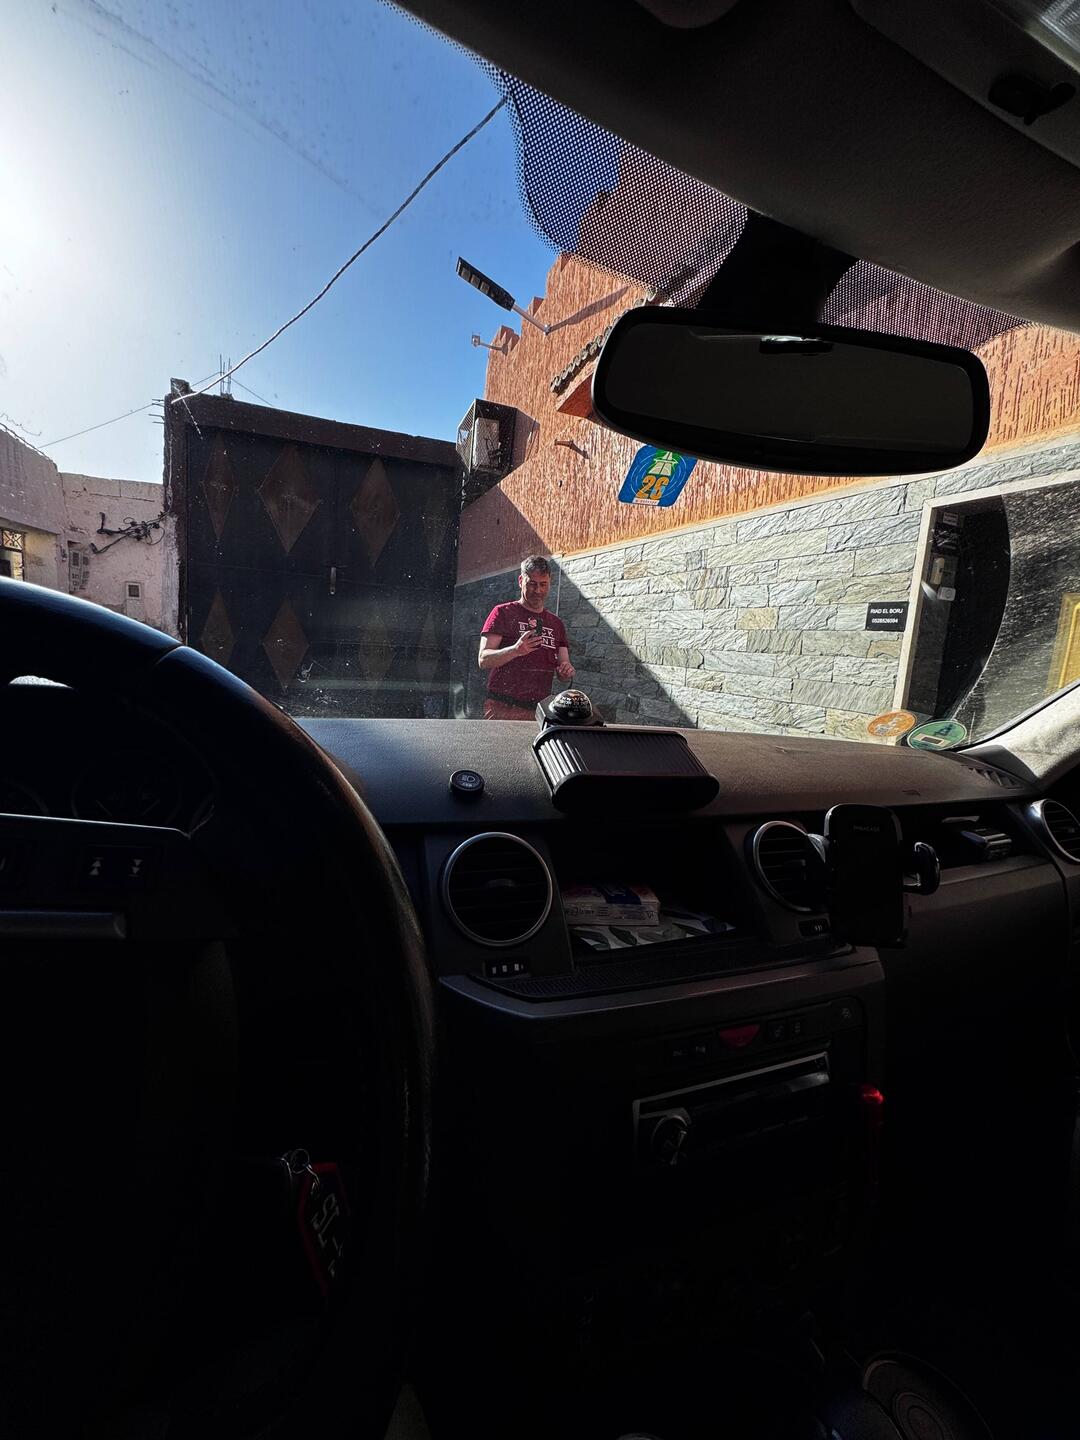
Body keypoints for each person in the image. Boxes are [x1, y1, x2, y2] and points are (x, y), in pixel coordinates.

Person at [478, 555, 575, 719]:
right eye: (532, 584)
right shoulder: (502, 613)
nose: (538, 591)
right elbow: (483, 660)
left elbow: (563, 670)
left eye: (543, 584)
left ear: (550, 582)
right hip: (502, 707)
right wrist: (515, 650)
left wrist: (566, 672)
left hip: (539, 711)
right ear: (521, 580)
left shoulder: (556, 623)